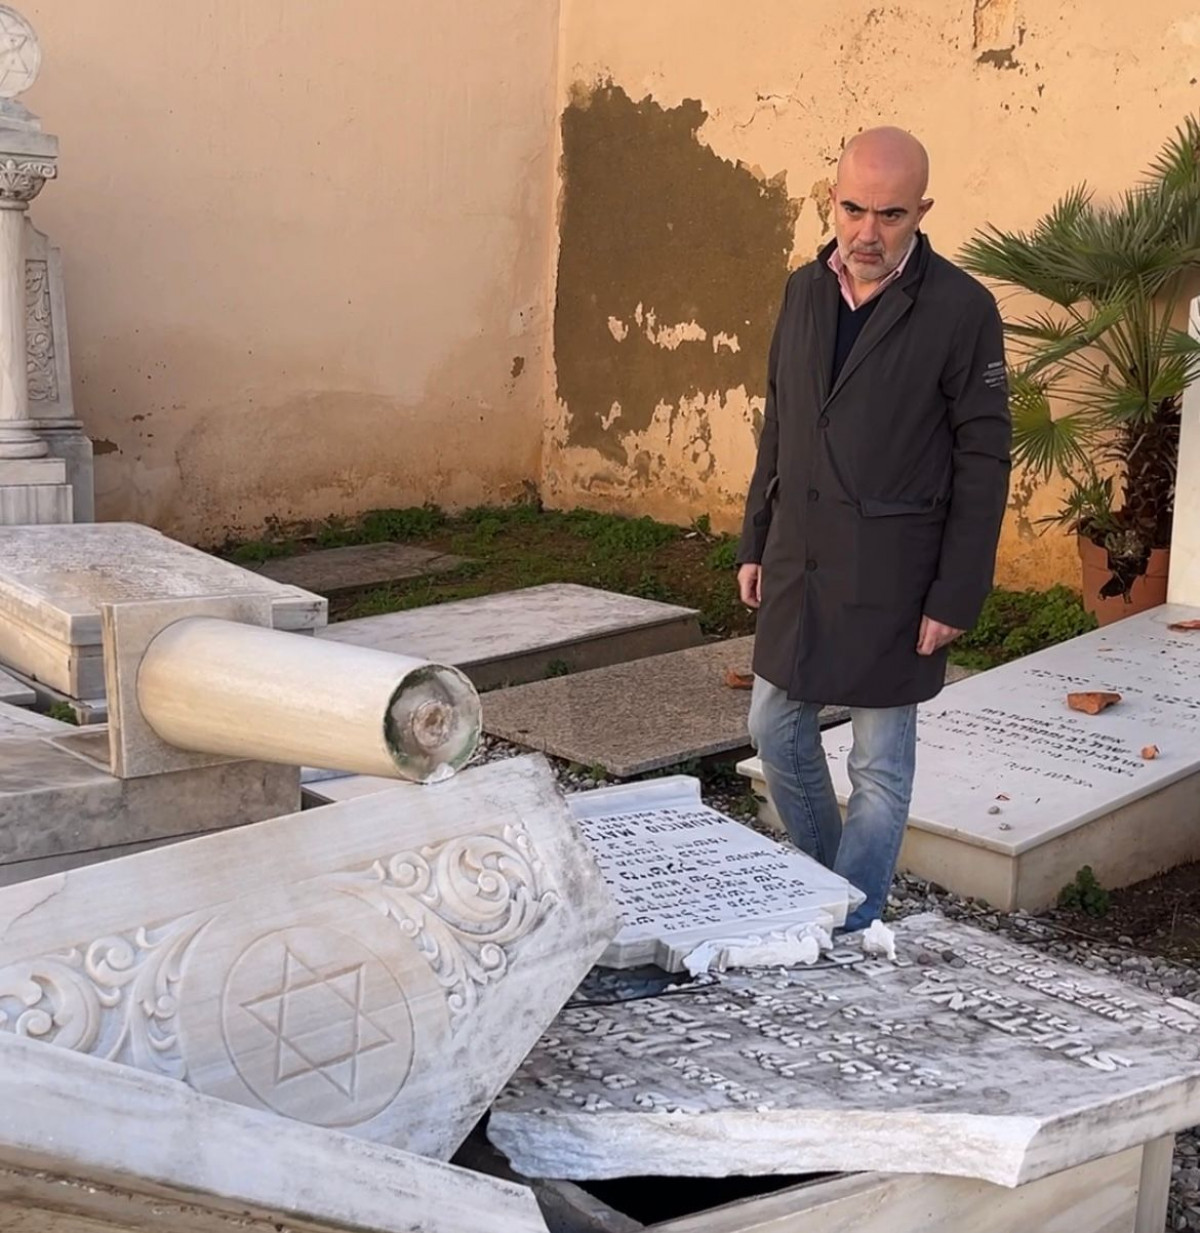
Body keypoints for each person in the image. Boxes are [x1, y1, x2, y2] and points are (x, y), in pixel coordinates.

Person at [736, 126, 1011, 933]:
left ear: (921, 211)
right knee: (772, 726)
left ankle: (850, 924)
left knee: (879, 764)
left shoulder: (962, 310)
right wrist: (756, 538)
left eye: (890, 214)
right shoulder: (803, 290)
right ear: (832, 200)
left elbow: (984, 460)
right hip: (801, 556)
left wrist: (957, 591)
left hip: (898, 570)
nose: (867, 232)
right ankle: (836, 889)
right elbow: (781, 422)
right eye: (853, 209)